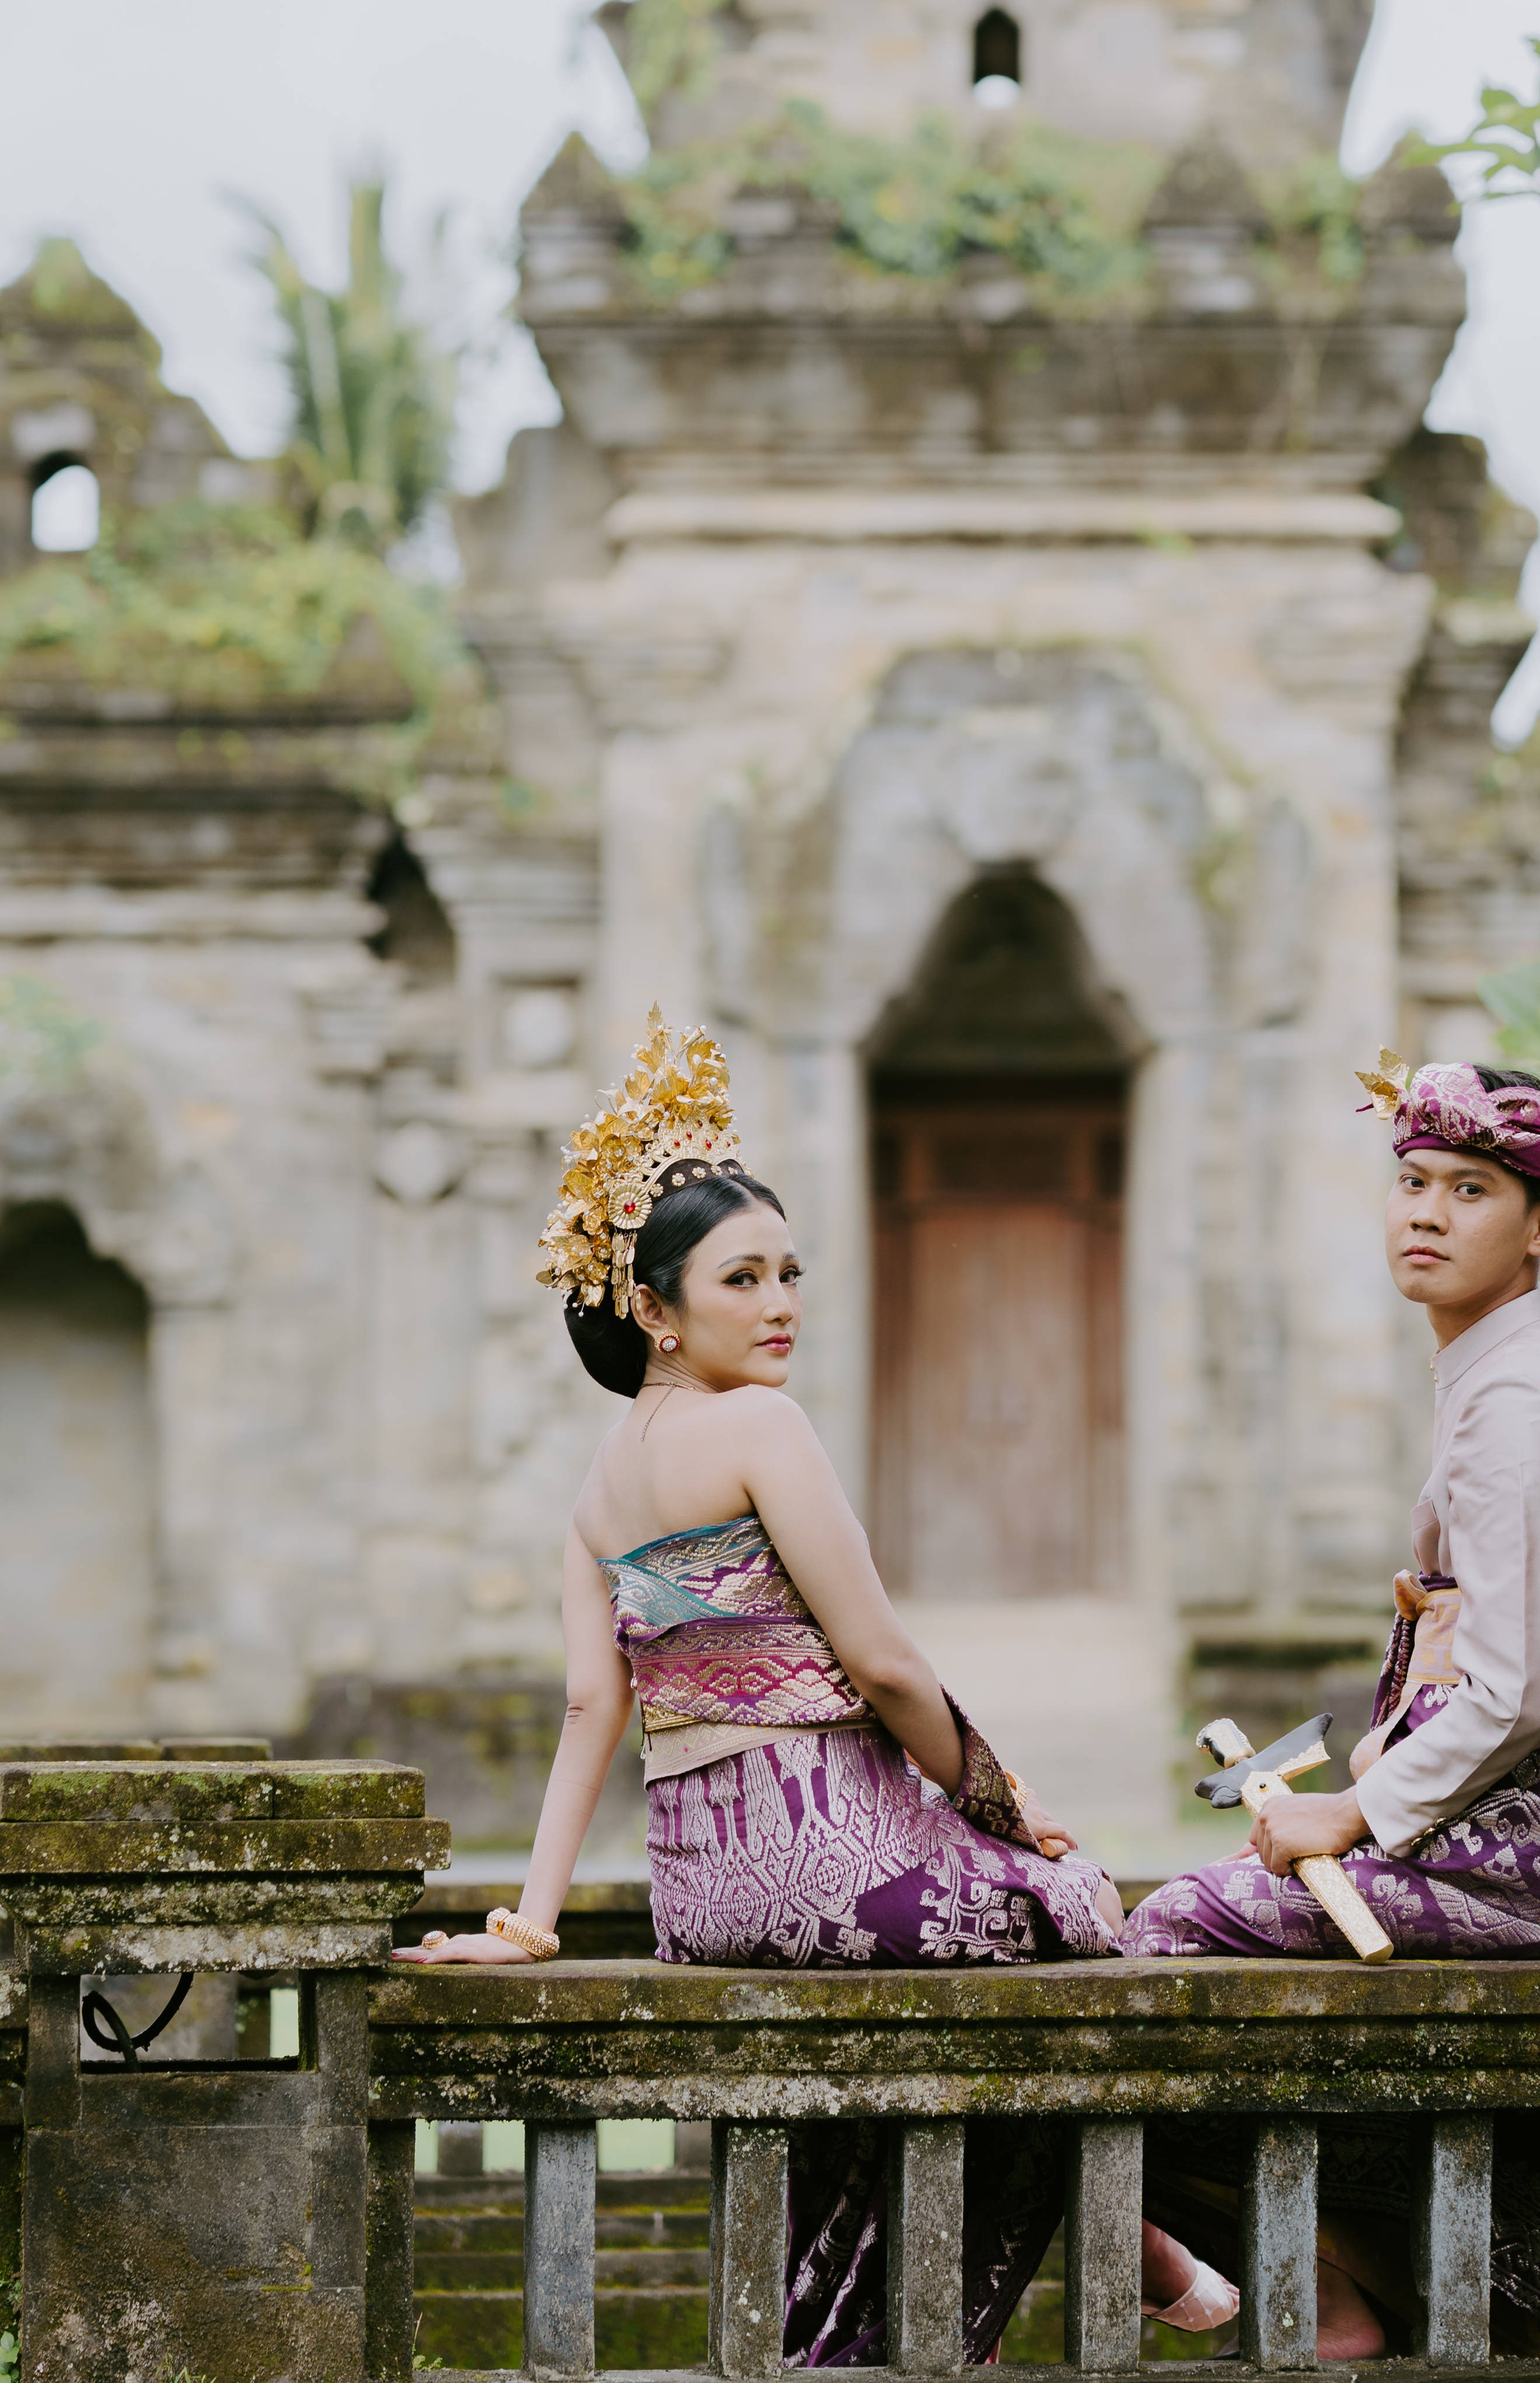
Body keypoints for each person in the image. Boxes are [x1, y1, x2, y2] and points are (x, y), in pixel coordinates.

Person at [392, 1011, 1238, 2361]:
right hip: (832, 1859)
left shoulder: (595, 1495)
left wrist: (532, 1920)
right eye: (742, 1277)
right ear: (653, 1308)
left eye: (790, 1271)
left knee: (941, 2019)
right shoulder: (759, 1426)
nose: (781, 1301)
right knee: (1082, 1910)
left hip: (703, 1898)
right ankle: (1119, 2226)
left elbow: (592, 1711)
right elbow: (887, 1664)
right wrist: (1005, 1808)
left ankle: (1103, 2235)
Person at [1120, 1052, 1540, 2358]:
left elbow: (1516, 1697)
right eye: (1413, 1180)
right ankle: (1368, 2265)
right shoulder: (1504, 1374)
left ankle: (1330, 2276)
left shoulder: (1519, 1403)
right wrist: (1379, 1761)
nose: (1426, 1211)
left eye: (1470, 1189)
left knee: (1170, 1934)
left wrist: (1351, 1815)